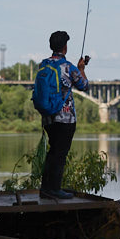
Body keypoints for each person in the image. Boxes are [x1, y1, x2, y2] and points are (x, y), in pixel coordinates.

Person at [38, 30, 89, 200]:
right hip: (65, 118)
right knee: (60, 154)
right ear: (65, 47)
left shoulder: (43, 65)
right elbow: (83, 85)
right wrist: (81, 68)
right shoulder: (69, 67)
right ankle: (55, 189)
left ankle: (46, 188)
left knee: (53, 152)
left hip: (48, 117)